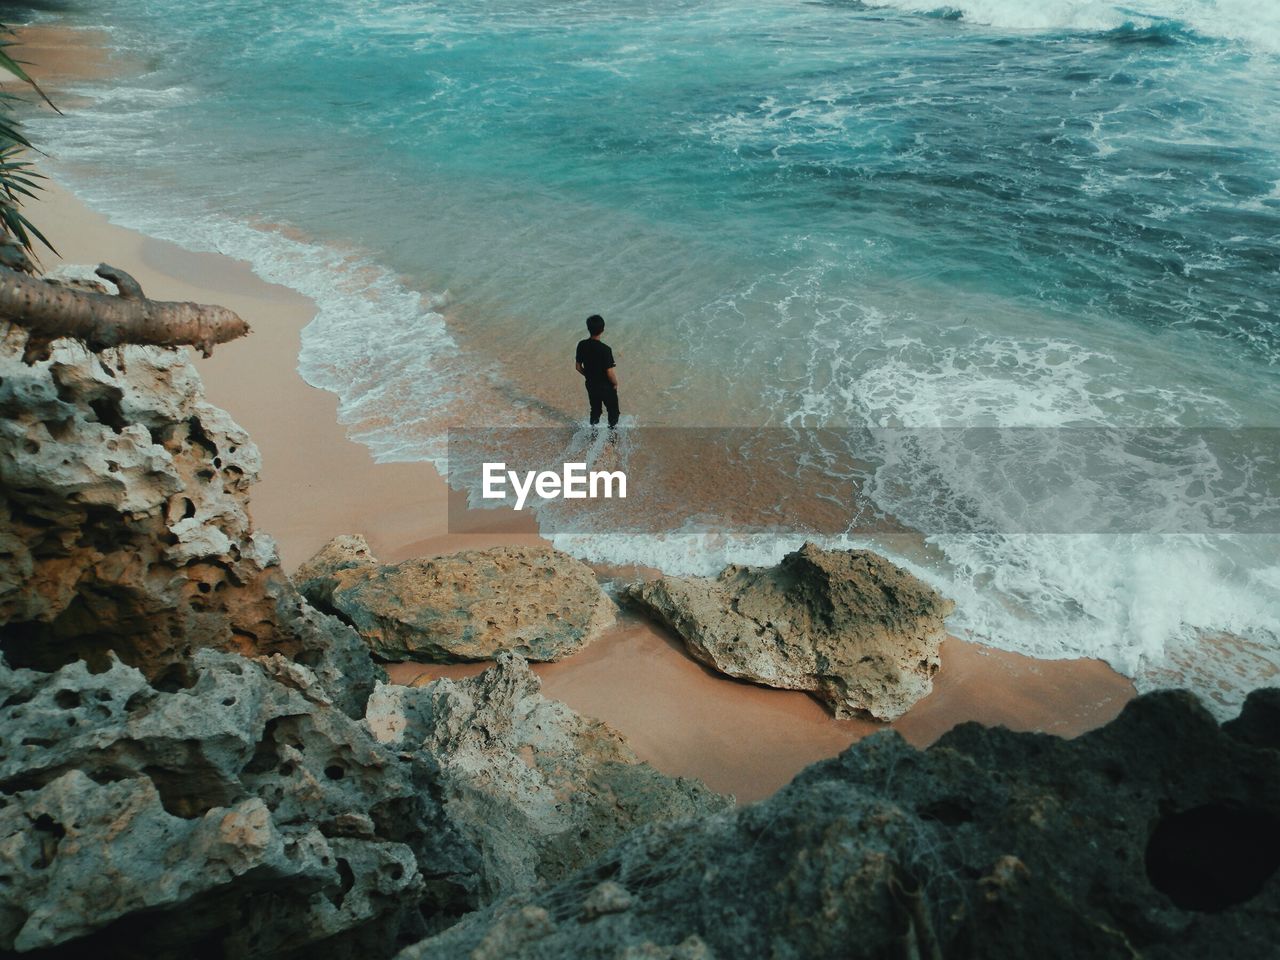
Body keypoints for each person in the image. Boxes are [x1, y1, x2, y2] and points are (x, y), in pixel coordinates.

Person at [574, 313, 620, 429]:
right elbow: (609, 373)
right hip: (606, 386)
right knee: (613, 411)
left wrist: (589, 376)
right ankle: (612, 436)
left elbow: (578, 367)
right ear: (602, 329)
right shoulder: (605, 349)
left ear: (588, 328)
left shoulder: (582, 345)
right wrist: (615, 383)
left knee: (595, 410)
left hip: (591, 384)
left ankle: (593, 434)